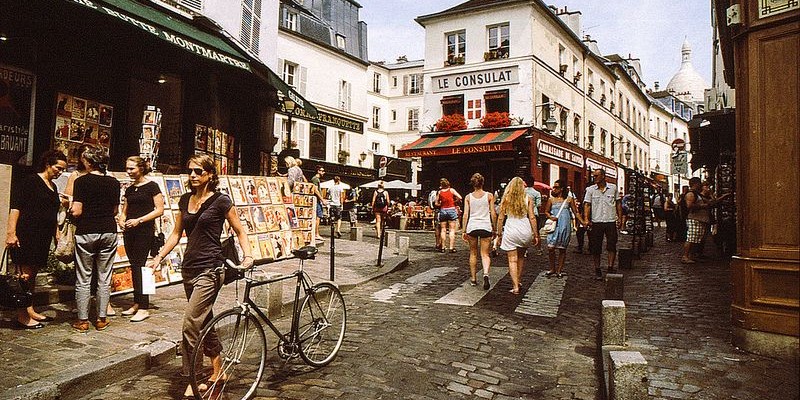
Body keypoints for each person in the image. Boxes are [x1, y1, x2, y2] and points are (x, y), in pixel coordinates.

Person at [148, 154, 253, 400]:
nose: (193, 175)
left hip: (211, 269)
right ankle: (218, 371)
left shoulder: (221, 201)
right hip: (189, 269)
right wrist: (158, 258)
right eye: (190, 171)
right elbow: (175, 235)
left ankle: (192, 378)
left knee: (190, 324)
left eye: (198, 171)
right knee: (204, 321)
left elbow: (240, 230)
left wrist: (248, 257)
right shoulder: (185, 200)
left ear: (210, 175)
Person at [5, 150, 67, 329]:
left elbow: (52, 212)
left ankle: (30, 308)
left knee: (32, 275)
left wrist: (56, 232)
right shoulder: (31, 182)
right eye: (58, 168)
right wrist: (11, 233)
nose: (60, 172)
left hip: (42, 236)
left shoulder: (53, 186)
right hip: (27, 233)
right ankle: (22, 315)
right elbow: (16, 207)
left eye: (63, 170)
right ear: (48, 164)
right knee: (24, 275)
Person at [70, 146, 121, 332]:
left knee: (83, 277)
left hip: (86, 231)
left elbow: (77, 210)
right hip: (108, 230)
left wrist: (68, 210)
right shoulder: (114, 183)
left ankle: (83, 321)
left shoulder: (81, 181)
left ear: (88, 162)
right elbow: (115, 210)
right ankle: (101, 318)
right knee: (104, 277)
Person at [118, 156, 164, 322]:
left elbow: (159, 210)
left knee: (143, 267)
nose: (129, 172)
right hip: (130, 231)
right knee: (134, 266)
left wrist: (139, 220)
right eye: (127, 168)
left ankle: (145, 306)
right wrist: (122, 220)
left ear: (141, 168)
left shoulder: (152, 186)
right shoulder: (130, 189)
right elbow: (125, 210)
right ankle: (137, 302)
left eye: (132, 168)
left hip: (144, 231)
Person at [496, 177, 538, 294]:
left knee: (512, 260)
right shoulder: (528, 198)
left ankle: (515, 286)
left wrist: (498, 234)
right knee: (520, 258)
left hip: (511, 229)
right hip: (524, 229)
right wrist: (536, 234)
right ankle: (518, 280)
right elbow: (532, 217)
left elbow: (500, 217)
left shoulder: (506, 199)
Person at [583, 168, 623, 280]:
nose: (594, 178)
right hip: (597, 221)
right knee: (596, 247)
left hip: (610, 221)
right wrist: (586, 219)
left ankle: (610, 267)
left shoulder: (613, 188)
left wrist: (619, 218)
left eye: (596, 176)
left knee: (611, 245)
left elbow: (618, 204)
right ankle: (597, 269)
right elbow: (587, 205)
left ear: (603, 176)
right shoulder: (590, 190)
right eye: (593, 176)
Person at [461, 173, 496, 289]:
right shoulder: (489, 196)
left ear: (472, 184)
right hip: (485, 226)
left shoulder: (468, 197)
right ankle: (485, 273)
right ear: (482, 183)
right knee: (485, 254)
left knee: (473, 253)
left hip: (472, 227)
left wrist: (464, 230)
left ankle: (473, 278)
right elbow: (493, 213)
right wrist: (494, 228)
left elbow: (465, 214)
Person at [544, 180, 584, 278]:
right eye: (554, 187)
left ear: (561, 188)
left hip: (564, 225)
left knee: (562, 249)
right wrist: (550, 217)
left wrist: (582, 222)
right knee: (550, 248)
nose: (554, 189)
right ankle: (552, 268)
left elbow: (576, 212)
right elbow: (546, 212)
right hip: (555, 225)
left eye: (556, 187)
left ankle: (559, 270)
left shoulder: (569, 199)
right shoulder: (551, 200)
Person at [435, 178, 463, 253]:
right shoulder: (451, 190)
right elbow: (460, 197)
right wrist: (455, 201)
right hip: (451, 209)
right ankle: (451, 247)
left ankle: (443, 247)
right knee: (452, 230)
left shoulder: (440, 192)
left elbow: (436, 203)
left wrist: (441, 203)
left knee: (443, 230)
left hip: (443, 210)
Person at [523, 175, 543, 256]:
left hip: (524, 214)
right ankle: (538, 249)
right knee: (536, 232)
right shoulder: (537, 193)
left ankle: (525, 250)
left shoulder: (523, 192)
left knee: (525, 232)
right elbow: (538, 205)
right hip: (534, 213)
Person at [310, 165, 325, 242]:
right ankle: (316, 234)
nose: (323, 172)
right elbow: (316, 190)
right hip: (317, 200)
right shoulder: (315, 179)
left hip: (318, 200)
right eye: (322, 171)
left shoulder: (317, 179)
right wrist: (322, 200)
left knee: (318, 216)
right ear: (318, 171)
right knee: (317, 217)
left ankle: (316, 233)